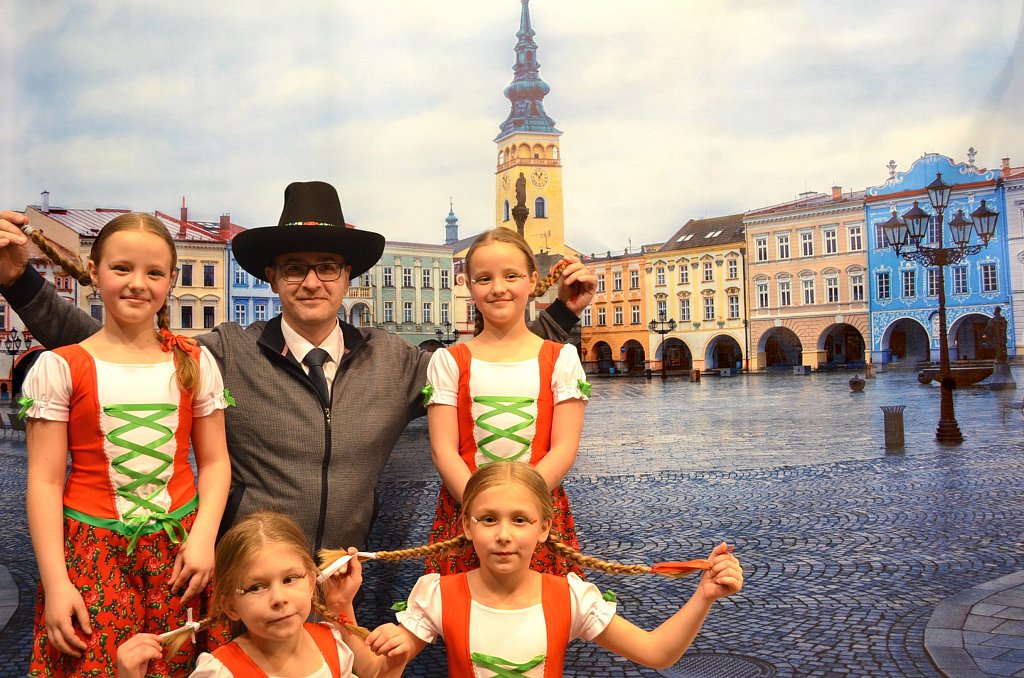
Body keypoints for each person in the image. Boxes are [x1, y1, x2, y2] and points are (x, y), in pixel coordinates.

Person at [0, 181, 596, 556]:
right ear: (272, 278)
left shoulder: (396, 361)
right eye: (294, 268)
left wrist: (563, 315)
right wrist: (19, 282)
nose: (312, 281)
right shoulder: (225, 353)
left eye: (327, 266)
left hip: (345, 570)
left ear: (347, 276)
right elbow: (112, 345)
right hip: (250, 572)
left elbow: (493, 360)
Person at [21, 213, 231, 676]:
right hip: (91, 552)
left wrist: (203, 538)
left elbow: (216, 462)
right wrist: (56, 583)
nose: (138, 283)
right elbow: (44, 481)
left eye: (154, 272)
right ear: (93, 272)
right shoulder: (61, 367)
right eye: (122, 268)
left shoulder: (194, 361)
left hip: (181, 552)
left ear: (171, 281)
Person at [328, 462, 743, 676]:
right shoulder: (438, 594)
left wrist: (704, 596)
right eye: (488, 519)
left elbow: (657, 654)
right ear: (467, 526)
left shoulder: (570, 597)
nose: (503, 535)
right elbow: (373, 672)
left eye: (520, 520)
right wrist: (342, 607)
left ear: (544, 528)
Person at [421, 228, 588, 576]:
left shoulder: (561, 359)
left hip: (537, 509)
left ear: (532, 280)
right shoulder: (449, 361)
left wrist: (523, 506)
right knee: (462, 604)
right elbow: (444, 451)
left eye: (511, 276)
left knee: (544, 604)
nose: (498, 287)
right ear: (469, 285)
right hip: (467, 510)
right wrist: (481, 509)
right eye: (485, 278)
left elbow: (564, 449)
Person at [116, 511, 408, 678]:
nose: (278, 597)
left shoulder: (334, 643)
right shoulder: (221, 672)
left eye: (290, 579)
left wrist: (394, 663)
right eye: (256, 587)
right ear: (230, 605)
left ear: (311, 582)